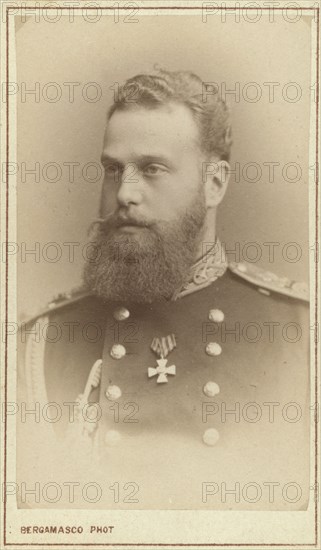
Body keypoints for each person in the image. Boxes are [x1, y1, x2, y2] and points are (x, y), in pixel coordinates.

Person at [17, 69, 310, 510]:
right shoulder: (40, 344)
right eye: (114, 170)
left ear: (215, 184)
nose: (125, 194)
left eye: (152, 169)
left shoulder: (300, 333)